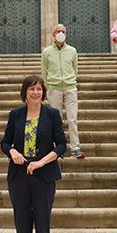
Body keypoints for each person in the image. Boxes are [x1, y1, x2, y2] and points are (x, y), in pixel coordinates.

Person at [0, 75, 66, 233]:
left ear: (43, 92)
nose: (36, 92)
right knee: (22, 227)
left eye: (39, 89)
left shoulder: (52, 114)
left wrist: (41, 162)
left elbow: (61, 145)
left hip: (44, 177)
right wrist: (12, 152)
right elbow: (4, 142)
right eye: (32, 89)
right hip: (18, 177)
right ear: (25, 92)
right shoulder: (16, 115)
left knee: (43, 227)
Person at [41, 23, 85, 159]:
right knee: (56, 120)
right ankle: (58, 148)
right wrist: (49, 85)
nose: (61, 33)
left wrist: (71, 81)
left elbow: (75, 68)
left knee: (72, 119)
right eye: (58, 31)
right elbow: (44, 70)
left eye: (63, 31)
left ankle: (75, 148)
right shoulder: (47, 52)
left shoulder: (72, 51)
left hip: (70, 87)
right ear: (53, 35)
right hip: (54, 88)